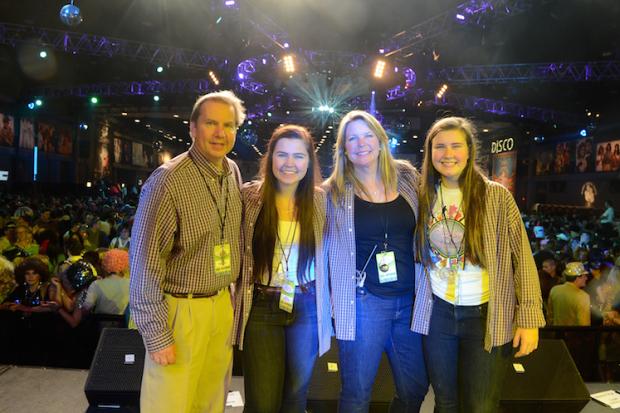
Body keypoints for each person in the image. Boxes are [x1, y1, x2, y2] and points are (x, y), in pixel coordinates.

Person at [415, 116, 544, 412]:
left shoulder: (496, 196)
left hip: (485, 314)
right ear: (430, 152)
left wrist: (528, 318)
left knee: (481, 405)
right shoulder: (422, 196)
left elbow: (522, 259)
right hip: (438, 313)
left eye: (456, 146)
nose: (448, 154)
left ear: (470, 151)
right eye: (440, 147)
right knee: (445, 402)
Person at [129, 90, 245, 413]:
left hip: (222, 305)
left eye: (229, 125)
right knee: (169, 404)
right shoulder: (167, 181)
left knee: (211, 403)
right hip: (181, 311)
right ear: (192, 128)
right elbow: (145, 262)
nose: (221, 133)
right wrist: (157, 334)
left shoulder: (232, 172)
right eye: (211, 123)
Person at [324, 110, 429, 412]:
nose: (361, 143)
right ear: (343, 148)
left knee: (416, 387)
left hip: (410, 301)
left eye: (368, 135)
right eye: (352, 138)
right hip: (364, 303)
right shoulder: (333, 192)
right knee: (357, 394)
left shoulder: (407, 177)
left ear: (381, 140)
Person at [233, 125, 331, 412]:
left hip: (306, 305)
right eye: (282, 155)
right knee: (262, 401)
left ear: (309, 162)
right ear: (270, 158)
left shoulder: (319, 200)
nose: (290, 163)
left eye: (299, 156)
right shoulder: (250, 197)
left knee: (296, 397)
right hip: (262, 305)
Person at [547, 262, 591, 326]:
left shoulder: (554, 290)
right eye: (584, 276)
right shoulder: (583, 296)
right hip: (574, 335)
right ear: (577, 278)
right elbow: (584, 324)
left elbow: (550, 316)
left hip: (557, 333)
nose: (586, 278)